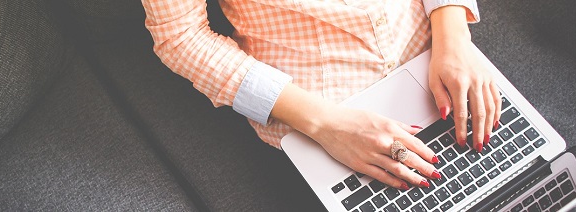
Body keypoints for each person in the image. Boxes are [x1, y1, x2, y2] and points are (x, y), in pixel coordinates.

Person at [141, 0, 501, 190]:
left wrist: (454, 36)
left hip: (439, 56)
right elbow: (181, 37)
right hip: (330, 123)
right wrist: (328, 124)